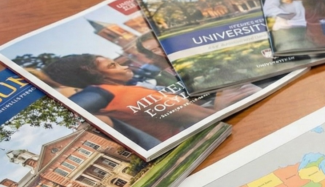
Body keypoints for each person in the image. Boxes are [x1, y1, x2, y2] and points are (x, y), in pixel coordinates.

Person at [43, 54, 228, 142]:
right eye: (113, 65)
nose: (124, 67)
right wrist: (223, 99)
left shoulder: (106, 104)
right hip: (197, 141)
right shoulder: (129, 95)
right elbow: (206, 118)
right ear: (100, 76)